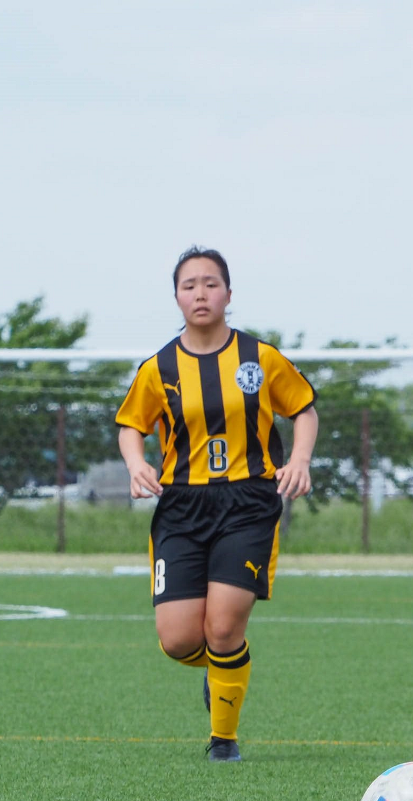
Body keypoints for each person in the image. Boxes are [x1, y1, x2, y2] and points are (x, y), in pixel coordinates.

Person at [115, 247, 319, 762]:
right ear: (177, 297)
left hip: (249, 500)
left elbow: (304, 407)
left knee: (224, 628)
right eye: (189, 285)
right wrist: (136, 464)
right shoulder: (158, 367)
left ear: (228, 293)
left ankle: (222, 740)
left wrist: (299, 460)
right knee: (180, 641)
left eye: (211, 284)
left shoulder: (260, 358)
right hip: (181, 506)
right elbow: (130, 425)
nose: (200, 293)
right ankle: (221, 668)